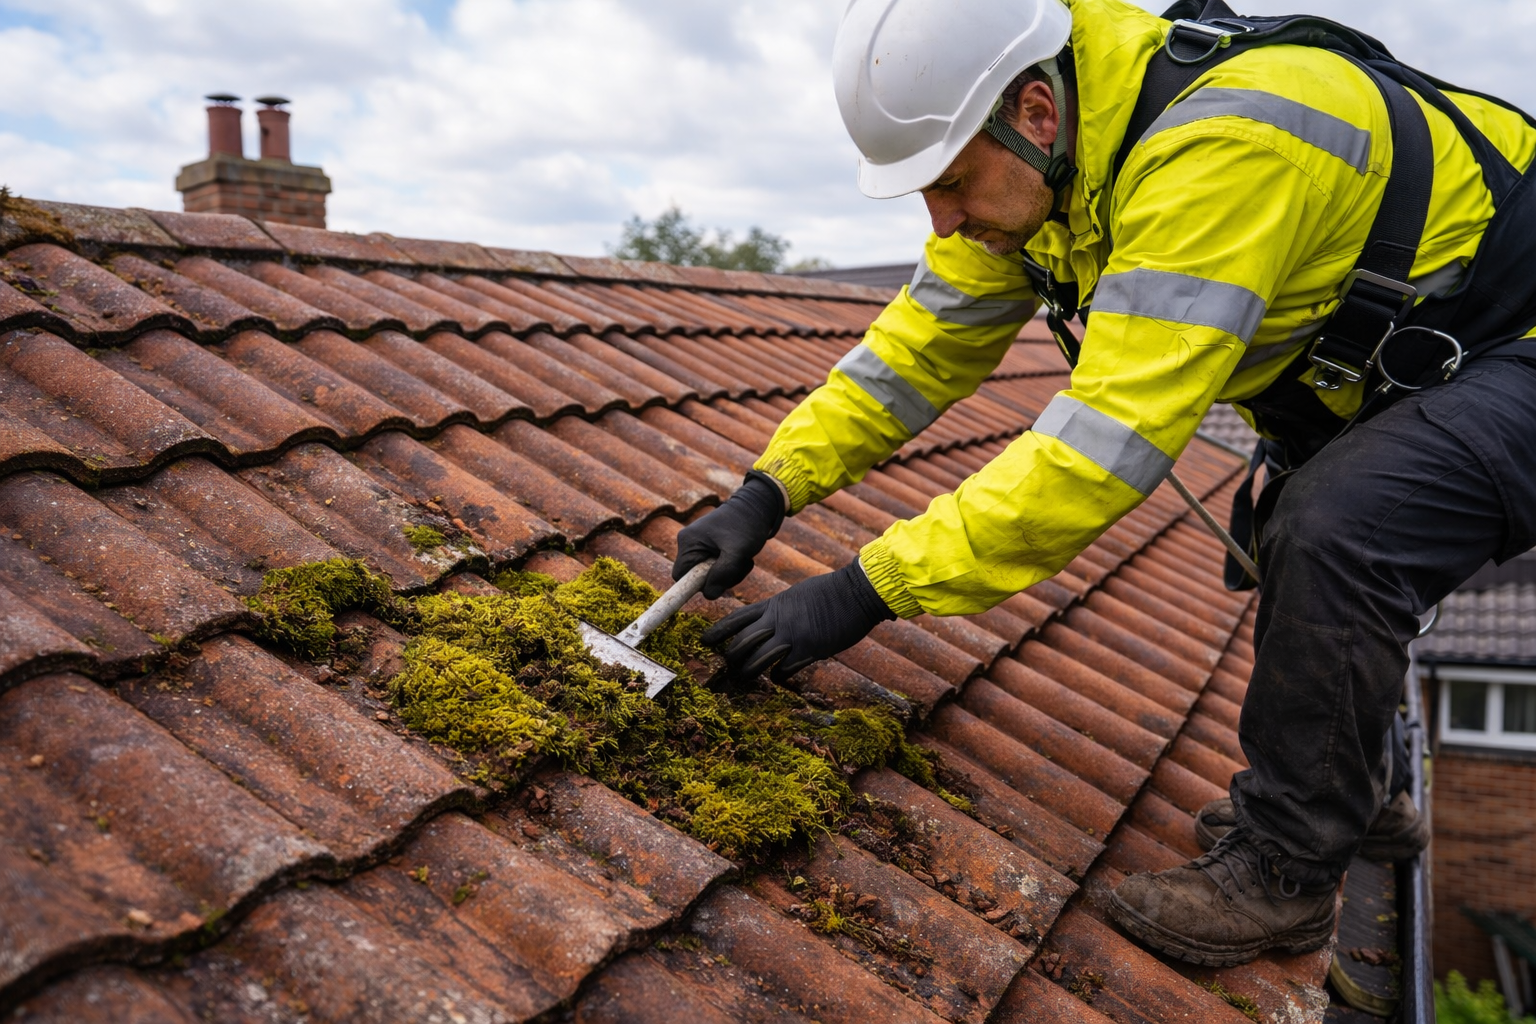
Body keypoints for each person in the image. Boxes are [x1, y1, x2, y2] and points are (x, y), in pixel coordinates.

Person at [670, 0, 1536, 966]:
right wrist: (770, 487)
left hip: (1520, 342)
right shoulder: (1052, 158)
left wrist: (863, 590)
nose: (942, 220)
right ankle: (1359, 794)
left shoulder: (1227, 150)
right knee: (1316, 514)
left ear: (1036, 113)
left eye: (950, 184)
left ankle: (1287, 873)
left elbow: (1101, 446)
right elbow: (915, 351)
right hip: (1420, 353)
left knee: (1340, 526)